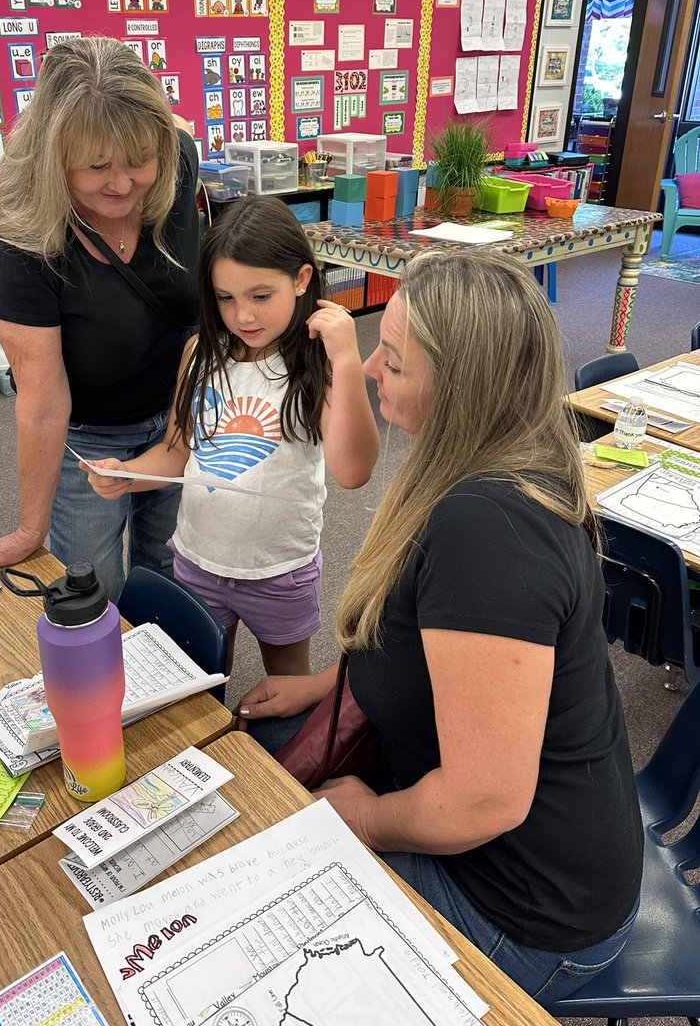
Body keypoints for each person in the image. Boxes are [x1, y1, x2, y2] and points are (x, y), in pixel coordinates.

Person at [237, 248, 643, 1002]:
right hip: (526, 843)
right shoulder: (506, 466)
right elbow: (436, 645)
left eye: (392, 361)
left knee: (261, 925)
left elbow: (482, 801)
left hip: (528, 909)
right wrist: (335, 681)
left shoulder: (484, 532)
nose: (367, 371)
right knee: (251, 774)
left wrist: (368, 818)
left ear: (457, 389)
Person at [85, 197, 380, 676]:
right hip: (198, 559)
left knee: (287, 688)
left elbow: (353, 471)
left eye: (260, 296)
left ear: (301, 280)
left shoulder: (316, 364)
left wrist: (346, 361)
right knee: (197, 681)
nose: (243, 315)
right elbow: (177, 453)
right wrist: (127, 474)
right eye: (226, 298)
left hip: (278, 569)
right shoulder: (200, 353)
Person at [0, 36, 200, 597]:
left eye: (139, 162)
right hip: (90, 439)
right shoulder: (22, 244)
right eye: (97, 166)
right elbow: (44, 403)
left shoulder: (178, 160)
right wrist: (32, 528)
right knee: (94, 589)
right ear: (55, 159)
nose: (122, 184)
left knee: (177, 573)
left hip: (185, 413)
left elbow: (196, 320)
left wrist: (181, 431)